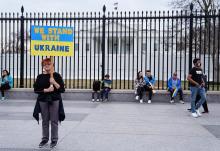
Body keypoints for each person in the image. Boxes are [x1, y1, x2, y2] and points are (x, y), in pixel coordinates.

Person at [33, 58, 65, 148]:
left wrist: (54, 82)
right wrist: (46, 90)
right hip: (43, 100)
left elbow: (62, 89)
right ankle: (44, 138)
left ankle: (54, 139)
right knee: (45, 120)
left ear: (52, 65)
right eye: (44, 64)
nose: (46, 66)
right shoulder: (40, 77)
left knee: (54, 120)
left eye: (48, 64)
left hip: (55, 99)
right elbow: (36, 89)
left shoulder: (57, 75)